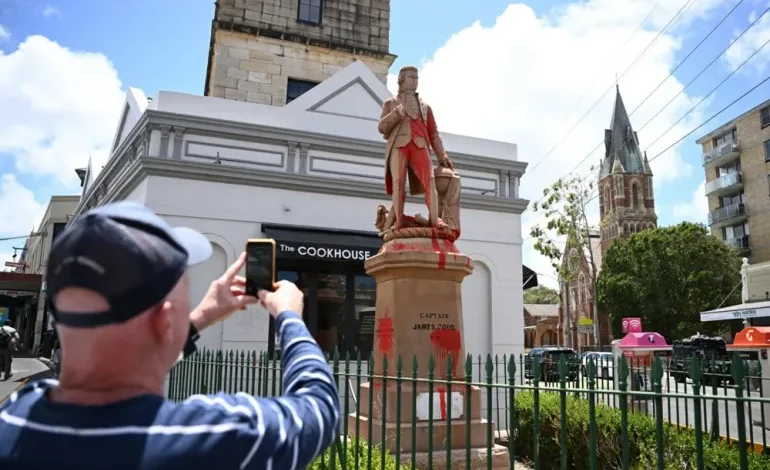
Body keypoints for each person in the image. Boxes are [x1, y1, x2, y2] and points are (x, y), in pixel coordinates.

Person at [0, 201, 340, 469]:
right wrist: (289, 316)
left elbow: (127, 359)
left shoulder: (15, 414)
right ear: (164, 323)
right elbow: (319, 408)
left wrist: (202, 315)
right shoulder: (215, 438)